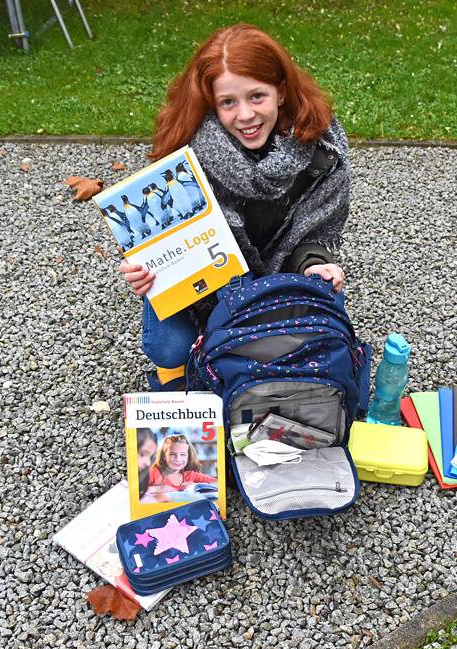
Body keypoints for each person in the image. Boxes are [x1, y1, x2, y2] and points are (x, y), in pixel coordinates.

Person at [118, 24, 350, 391]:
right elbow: (155, 237)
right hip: (199, 283)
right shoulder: (187, 149)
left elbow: (311, 231)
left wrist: (314, 265)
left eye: (257, 96)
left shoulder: (321, 149)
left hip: (269, 273)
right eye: (228, 102)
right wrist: (143, 270)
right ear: (211, 102)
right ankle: (208, 347)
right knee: (170, 347)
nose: (244, 115)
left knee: (319, 321)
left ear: (282, 92)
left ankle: (237, 343)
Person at [146, 434, 217, 495]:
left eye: (183, 454)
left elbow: (219, 483)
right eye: (172, 454)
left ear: (188, 456)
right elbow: (136, 491)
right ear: (164, 456)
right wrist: (159, 489)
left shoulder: (191, 475)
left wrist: (196, 486)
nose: (178, 459)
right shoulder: (154, 473)